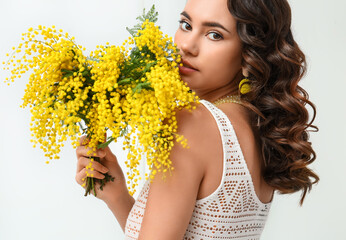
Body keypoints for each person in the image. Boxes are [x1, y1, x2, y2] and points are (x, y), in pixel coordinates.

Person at [75, 0, 319, 239]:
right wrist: (117, 197)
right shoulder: (258, 124)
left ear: (250, 52)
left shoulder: (193, 122)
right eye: (186, 25)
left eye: (214, 35)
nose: (187, 46)